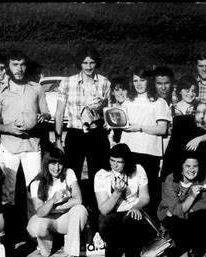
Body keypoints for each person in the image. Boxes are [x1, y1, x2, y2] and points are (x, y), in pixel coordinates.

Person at [0, 49, 51, 243]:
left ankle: (36, 235)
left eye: (22, 64)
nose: (19, 69)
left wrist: (43, 117)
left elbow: (47, 112)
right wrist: (8, 128)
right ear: (8, 67)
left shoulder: (36, 88)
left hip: (32, 146)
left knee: (36, 190)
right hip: (9, 145)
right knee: (8, 192)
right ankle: (7, 235)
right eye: (15, 64)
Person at [54, 45, 111, 182]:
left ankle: (96, 203)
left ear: (96, 63)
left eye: (91, 62)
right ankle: (76, 203)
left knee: (98, 176)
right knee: (72, 175)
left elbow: (107, 111)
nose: (88, 66)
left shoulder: (104, 82)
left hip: (96, 135)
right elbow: (59, 113)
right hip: (75, 135)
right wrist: (58, 140)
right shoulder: (67, 82)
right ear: (80, 63)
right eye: (85, 62)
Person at [120, 66, 171, 214]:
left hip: (149, 153)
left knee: (149, 192)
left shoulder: (159, 102)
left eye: (142, 80)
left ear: (149, 81)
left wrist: (139, 127)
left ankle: (151, 228)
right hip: (129, 151)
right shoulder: (128, 101)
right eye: (135, 80)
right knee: (129, 190)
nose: (138, 84)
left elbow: (162, 129)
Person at [27, 147, 88, 257]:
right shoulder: (36, 183)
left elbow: (78, 200)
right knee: (34, 225)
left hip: (66, 218)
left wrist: (51, 208)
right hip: (50, 220)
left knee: (80, 210)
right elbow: (40, 212)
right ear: (46, 164)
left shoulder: (69, 173)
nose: (57, 168)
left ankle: (71, 251)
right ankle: (47, 243)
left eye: (59, 164)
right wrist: (53, 200)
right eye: (53, 164)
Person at [94, 143, 151, 257]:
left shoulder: (138, 169)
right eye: (112, 160)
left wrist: (137, 206)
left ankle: (132, 247)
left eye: (119, 162)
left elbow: (145, 197)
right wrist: (116, 193)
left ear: (126, 162)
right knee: (111, 254)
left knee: (132, 218)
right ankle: (114, 245)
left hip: (132, 209)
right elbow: (103, 209)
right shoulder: (101, 174)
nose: (114, 165)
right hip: (112, 212)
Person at [157, 154, 206, 257]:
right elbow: (174, 210)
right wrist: (192, 196)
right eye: (188, 166)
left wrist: (187, 210)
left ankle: (191, 244)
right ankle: (182, 243)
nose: (192, 170)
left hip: (189, 214)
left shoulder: (203, 177)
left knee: (205, 217)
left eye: (195, 166)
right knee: (174, 221)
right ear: (181, 167)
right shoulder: (171, 179)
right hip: (170, 215)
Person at [161, 75, 206, 182]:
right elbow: (168, 135)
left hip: (195, 153)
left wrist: (198, 139)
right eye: (187, 90)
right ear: (180, 91)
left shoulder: (202, 107)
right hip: (175, 153)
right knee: (171, 181)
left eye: (194, 91)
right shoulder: (172, 109)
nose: (191, 94)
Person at [107, 76, 129, 145]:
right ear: (113, 92)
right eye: (117, 90)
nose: (120, 93)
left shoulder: (132, 108)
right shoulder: (108, 109)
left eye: (123, 89)